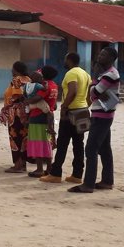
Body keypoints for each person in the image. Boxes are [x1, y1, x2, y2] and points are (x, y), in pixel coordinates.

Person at [68, 47, 120, 193]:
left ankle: (88, 184)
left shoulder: (110, 74)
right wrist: (95, 89)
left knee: (91, 149)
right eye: (100, 53)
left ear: (111, 58)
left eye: (103, 55)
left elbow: (93, 92)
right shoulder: (106, 74)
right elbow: (95, 94)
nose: (99, 56)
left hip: (102, 116)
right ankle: (107, 181)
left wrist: (94, 85)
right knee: (104, 149)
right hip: (102, 114)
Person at [41, 53, 91, 184]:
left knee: (63, 143)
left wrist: (64, 106)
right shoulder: (85, 74)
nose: (64, 61)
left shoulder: (71, 73)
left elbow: (72, 91)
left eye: (65, 59)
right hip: (83, 110)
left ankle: (56, 174)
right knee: (78, 144)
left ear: (69, 60)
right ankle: (77, 175)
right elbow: (89, 94)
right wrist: (85, 106)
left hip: (71, 112)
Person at [0, 61, 31, 173]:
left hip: (16, 114)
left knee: (15, 138)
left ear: (16, 70)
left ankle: (17, 165)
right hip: (25, 113)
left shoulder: (16, 80)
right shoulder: (28, 79)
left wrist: (7, 108)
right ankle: (23, 164)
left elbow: (17, 96)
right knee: (23, 138)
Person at [24, 70, 56, 177]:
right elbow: (55, 106)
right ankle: (49, 168)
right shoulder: (54, 86)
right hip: (49, 118)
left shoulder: (43, 86)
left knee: (37, 143)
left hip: (37, 118)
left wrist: (27, 101)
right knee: (47, 143)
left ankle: (39, 169)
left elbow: (36, 99)